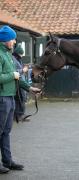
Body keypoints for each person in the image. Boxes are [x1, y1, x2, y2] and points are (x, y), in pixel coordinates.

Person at [0, 25, 41, 174]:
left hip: (10, 98)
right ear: (5, 40)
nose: (14, 42)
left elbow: (18, 78)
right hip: (2, 98)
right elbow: (8, 76)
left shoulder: (8, 55)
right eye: (12, 39)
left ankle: (7, 161)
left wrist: (30, 89)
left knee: (6, 132)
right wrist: (13, 75)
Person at [12, 45, 30, 122]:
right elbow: (15, 72)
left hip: (21, 81)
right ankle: (20, 115)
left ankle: (20, 114)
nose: (22, 56)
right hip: (18, 82)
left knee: (21, 98)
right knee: (20, 98)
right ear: (18, 53)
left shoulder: (17, 59)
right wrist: (23, 70)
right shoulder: (14, 60)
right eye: (21, 54)